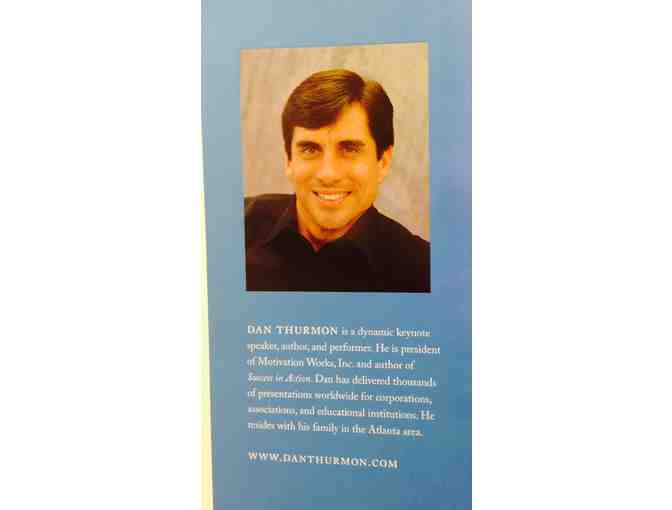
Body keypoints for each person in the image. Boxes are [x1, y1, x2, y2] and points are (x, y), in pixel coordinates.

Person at [244, 69, 430, 292]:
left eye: (349, 149)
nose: (328, 174)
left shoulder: (422, 271)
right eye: (310, 149)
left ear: (383, 161)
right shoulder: (236, 226)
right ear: (289, 161)